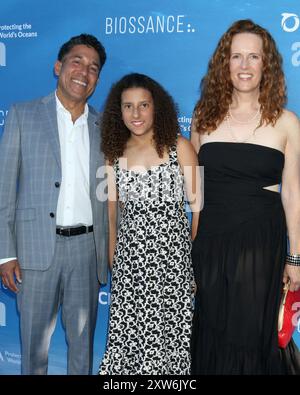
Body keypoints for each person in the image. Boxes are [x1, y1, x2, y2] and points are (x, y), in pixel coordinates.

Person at [191, 19, 300, 375]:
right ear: (225, 63)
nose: (244, 65)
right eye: (236, 56)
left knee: (252, 332)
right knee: (212, 328)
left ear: (266, 65)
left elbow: (293, 193)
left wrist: (295, 257)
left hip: (260, 241)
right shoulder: (202, 118)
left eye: (254, 56)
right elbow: (194, 194)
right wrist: (186, 250)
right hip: (210, 240)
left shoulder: (286, 122)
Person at [0, 34, 108, 375]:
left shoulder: (106, 127)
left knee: (82, 348)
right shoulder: (23, 115)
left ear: (97, 80)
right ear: (58, 66)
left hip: (87, 251)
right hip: (34, 251)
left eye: (93, 68)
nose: (84, 72)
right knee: (34, 349)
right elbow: (3, 188)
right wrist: (5, 253)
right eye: (77, 61)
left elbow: (111, 194)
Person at [99, 73, 200, 375]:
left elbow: (199, 208)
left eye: (144, 105)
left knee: (170, 343)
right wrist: (113, 257)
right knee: (126, 342)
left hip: (173, 264)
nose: (136, 114)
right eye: (128, 106)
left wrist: (192, 261)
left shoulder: (180, 147)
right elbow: (110, 211)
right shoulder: (111, 155)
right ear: (120, 112)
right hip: (131, 265)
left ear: (157, 107)